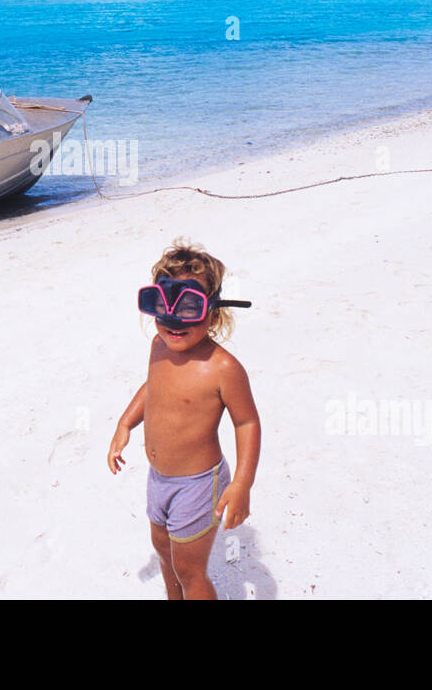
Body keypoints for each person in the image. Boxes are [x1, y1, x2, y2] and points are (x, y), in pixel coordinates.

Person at [107, 239, 260, 600]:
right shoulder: (158, 346)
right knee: (164, 554)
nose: (174, 322)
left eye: (188, 308)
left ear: (213, 311)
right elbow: (153, 387)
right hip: (158, 479)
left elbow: (247, 423)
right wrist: (125, 423)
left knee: (190, 570)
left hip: (197, 485)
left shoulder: (222, 368)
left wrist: (241, 484)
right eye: (163, 309)